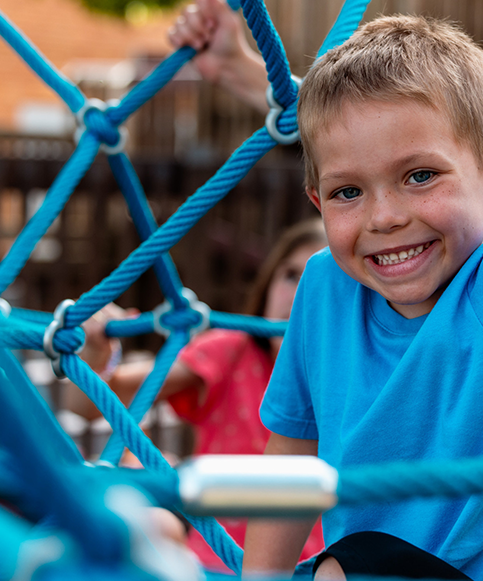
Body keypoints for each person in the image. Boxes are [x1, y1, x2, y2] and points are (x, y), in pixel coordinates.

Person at [218, 0, 483, 579]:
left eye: (420, 176)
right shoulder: (323, 288)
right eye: (348, 192)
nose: (384, 217)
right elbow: (295, 455)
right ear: (319, 202)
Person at [74, 219, 329, 572]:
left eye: (322, 283)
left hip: (316, 568)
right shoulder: (232, 352)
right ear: (268, 283)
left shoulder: (356, 378)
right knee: (148, 523)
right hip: (215, 561)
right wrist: (98, 355)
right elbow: (93, 403)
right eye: (290, 276)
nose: (299, 295)